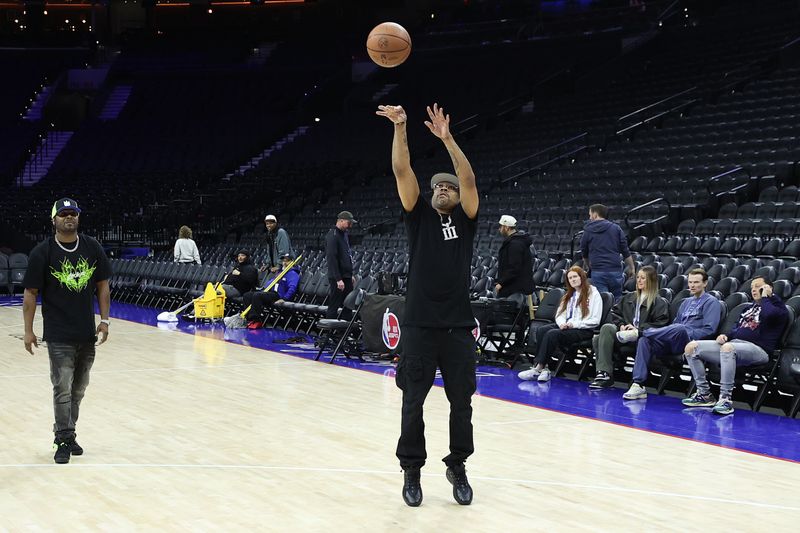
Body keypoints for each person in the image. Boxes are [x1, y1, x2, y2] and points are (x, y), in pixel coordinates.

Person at [377, 102, 478, 507]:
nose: (441, 188)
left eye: (447, 186)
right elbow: (403, 171)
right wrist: (401, 127)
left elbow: (469, 178)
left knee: (462, 403)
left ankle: (458, 464)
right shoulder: (418, 217)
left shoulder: (468, 220)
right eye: (437, 185)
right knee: (412, 401)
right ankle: (412, 470)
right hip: (419, 323)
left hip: (456, 326)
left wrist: (447, 139)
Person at [22, 198, 111, 464]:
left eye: (73, 214)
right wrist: (28, 331)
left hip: (86, 332)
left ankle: (68, 432)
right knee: (62, 387)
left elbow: (103, 285)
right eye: (63, 214)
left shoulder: (92, 246)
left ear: (78, 218)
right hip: (58, 333)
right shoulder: (43, 251)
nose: (68, 218)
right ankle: (62, 437)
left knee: (79, 388)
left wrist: (105, 320)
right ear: (54, 220)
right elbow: (30, 293)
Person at [682, 277, 789, 415]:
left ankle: (725, 399)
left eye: (758, 286)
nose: (754, 289)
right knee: (691, 347)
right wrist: (726, 336)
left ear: (769, 289)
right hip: (735, 345)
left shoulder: (779, 308)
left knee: (728, 348)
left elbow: (768, 315)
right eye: (752, 287)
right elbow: (737, 330)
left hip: (759, 350)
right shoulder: (748, 308)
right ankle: (704, 394)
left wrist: (766, 297)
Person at [623, 268, 721, 400]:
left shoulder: (711, 302)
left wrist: (688, 332)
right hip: (673, 339)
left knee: (679, 328)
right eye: (690, 282)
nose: (692, 285)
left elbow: (709, 329)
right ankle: (638, 384)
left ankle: (640, 332)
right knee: (644, 341)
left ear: (705, 283)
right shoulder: (685, 302)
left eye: (696, 282)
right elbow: (674, 325)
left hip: (690, 342)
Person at [589, 265, 669, 389]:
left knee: (598, 339)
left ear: (652, 281)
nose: (639, 280)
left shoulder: (659, 302)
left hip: (641, 337)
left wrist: (638, 329)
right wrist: (621, 325)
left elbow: (661, 324)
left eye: (643, 278)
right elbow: (614, 313)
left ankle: (609, 374)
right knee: (606, 329)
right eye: (638, 277)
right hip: (623, 335)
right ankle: (604, 374)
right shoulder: (628, 297)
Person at [518, 266, 602, 383]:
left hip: (583, 329)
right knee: (542, 330)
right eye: (570, 278)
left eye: (575, 277)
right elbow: (559, 315)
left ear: (582, 277)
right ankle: (544, 369)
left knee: (552, 334)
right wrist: (562, 324)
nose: (573, 280)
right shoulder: (569, 295)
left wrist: (573, 324)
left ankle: (539, 367)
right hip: (567, 327)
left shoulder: (593, 293)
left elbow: (595, 320)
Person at [579, 204, 635, 302]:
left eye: (590, 214)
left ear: (595, 214)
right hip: (615, 271)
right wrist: (632, 268)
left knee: (603, 301)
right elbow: (625, 251)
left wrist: (589, 267)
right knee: (617, 301)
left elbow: (584, 253)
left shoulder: (588, 231)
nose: (589, 217)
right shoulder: (616, 228)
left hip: (598, 271)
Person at [240, 253, 300, 327]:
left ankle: (256, 320)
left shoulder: (293, 274)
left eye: (287, 261)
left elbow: (292, 288)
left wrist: (284, 299)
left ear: (292, 262)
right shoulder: (280, 272)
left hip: (278, 295)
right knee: (247, 295)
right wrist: (263, 289)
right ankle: (248, 319)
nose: (284, 262)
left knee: (257, 296)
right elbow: (271, 282)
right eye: (283, 260)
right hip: (270, 292)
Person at [324, 211, 356, 320]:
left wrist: (350, 274)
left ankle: (343, 332)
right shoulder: (332, 235)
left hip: (346, 276)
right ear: (341, 221)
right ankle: (328, 333)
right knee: (334, 305)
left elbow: (346, 255)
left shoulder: (344, 234)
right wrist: (338, 279)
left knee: (349, 305)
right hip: (338, 278)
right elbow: (332, 258)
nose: (350, 225)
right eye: (349, 223)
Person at [494, 215, 534, 299]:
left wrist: (501, 283)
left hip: (515, 290)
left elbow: (514, 268)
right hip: (514, 288)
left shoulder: (515, 244)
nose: (499, 229)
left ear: (507, 227)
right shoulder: (515, 242)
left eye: (501, 226)